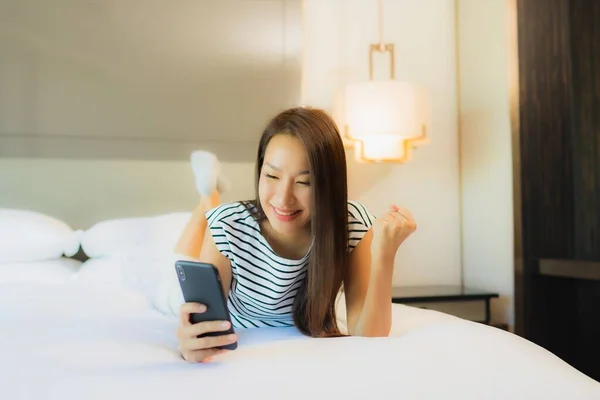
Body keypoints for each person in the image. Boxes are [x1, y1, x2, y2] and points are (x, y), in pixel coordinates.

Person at [174, 107, 417, 363]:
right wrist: (190, 343)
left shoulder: (351, 223)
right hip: (184, 288)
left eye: (305, 182)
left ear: (328, 185)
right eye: (271, 175)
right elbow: (198, 333)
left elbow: (370, 337)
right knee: (185, 252)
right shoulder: (227, 225)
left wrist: (384, 252)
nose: (283, 198)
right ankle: (207, 200)